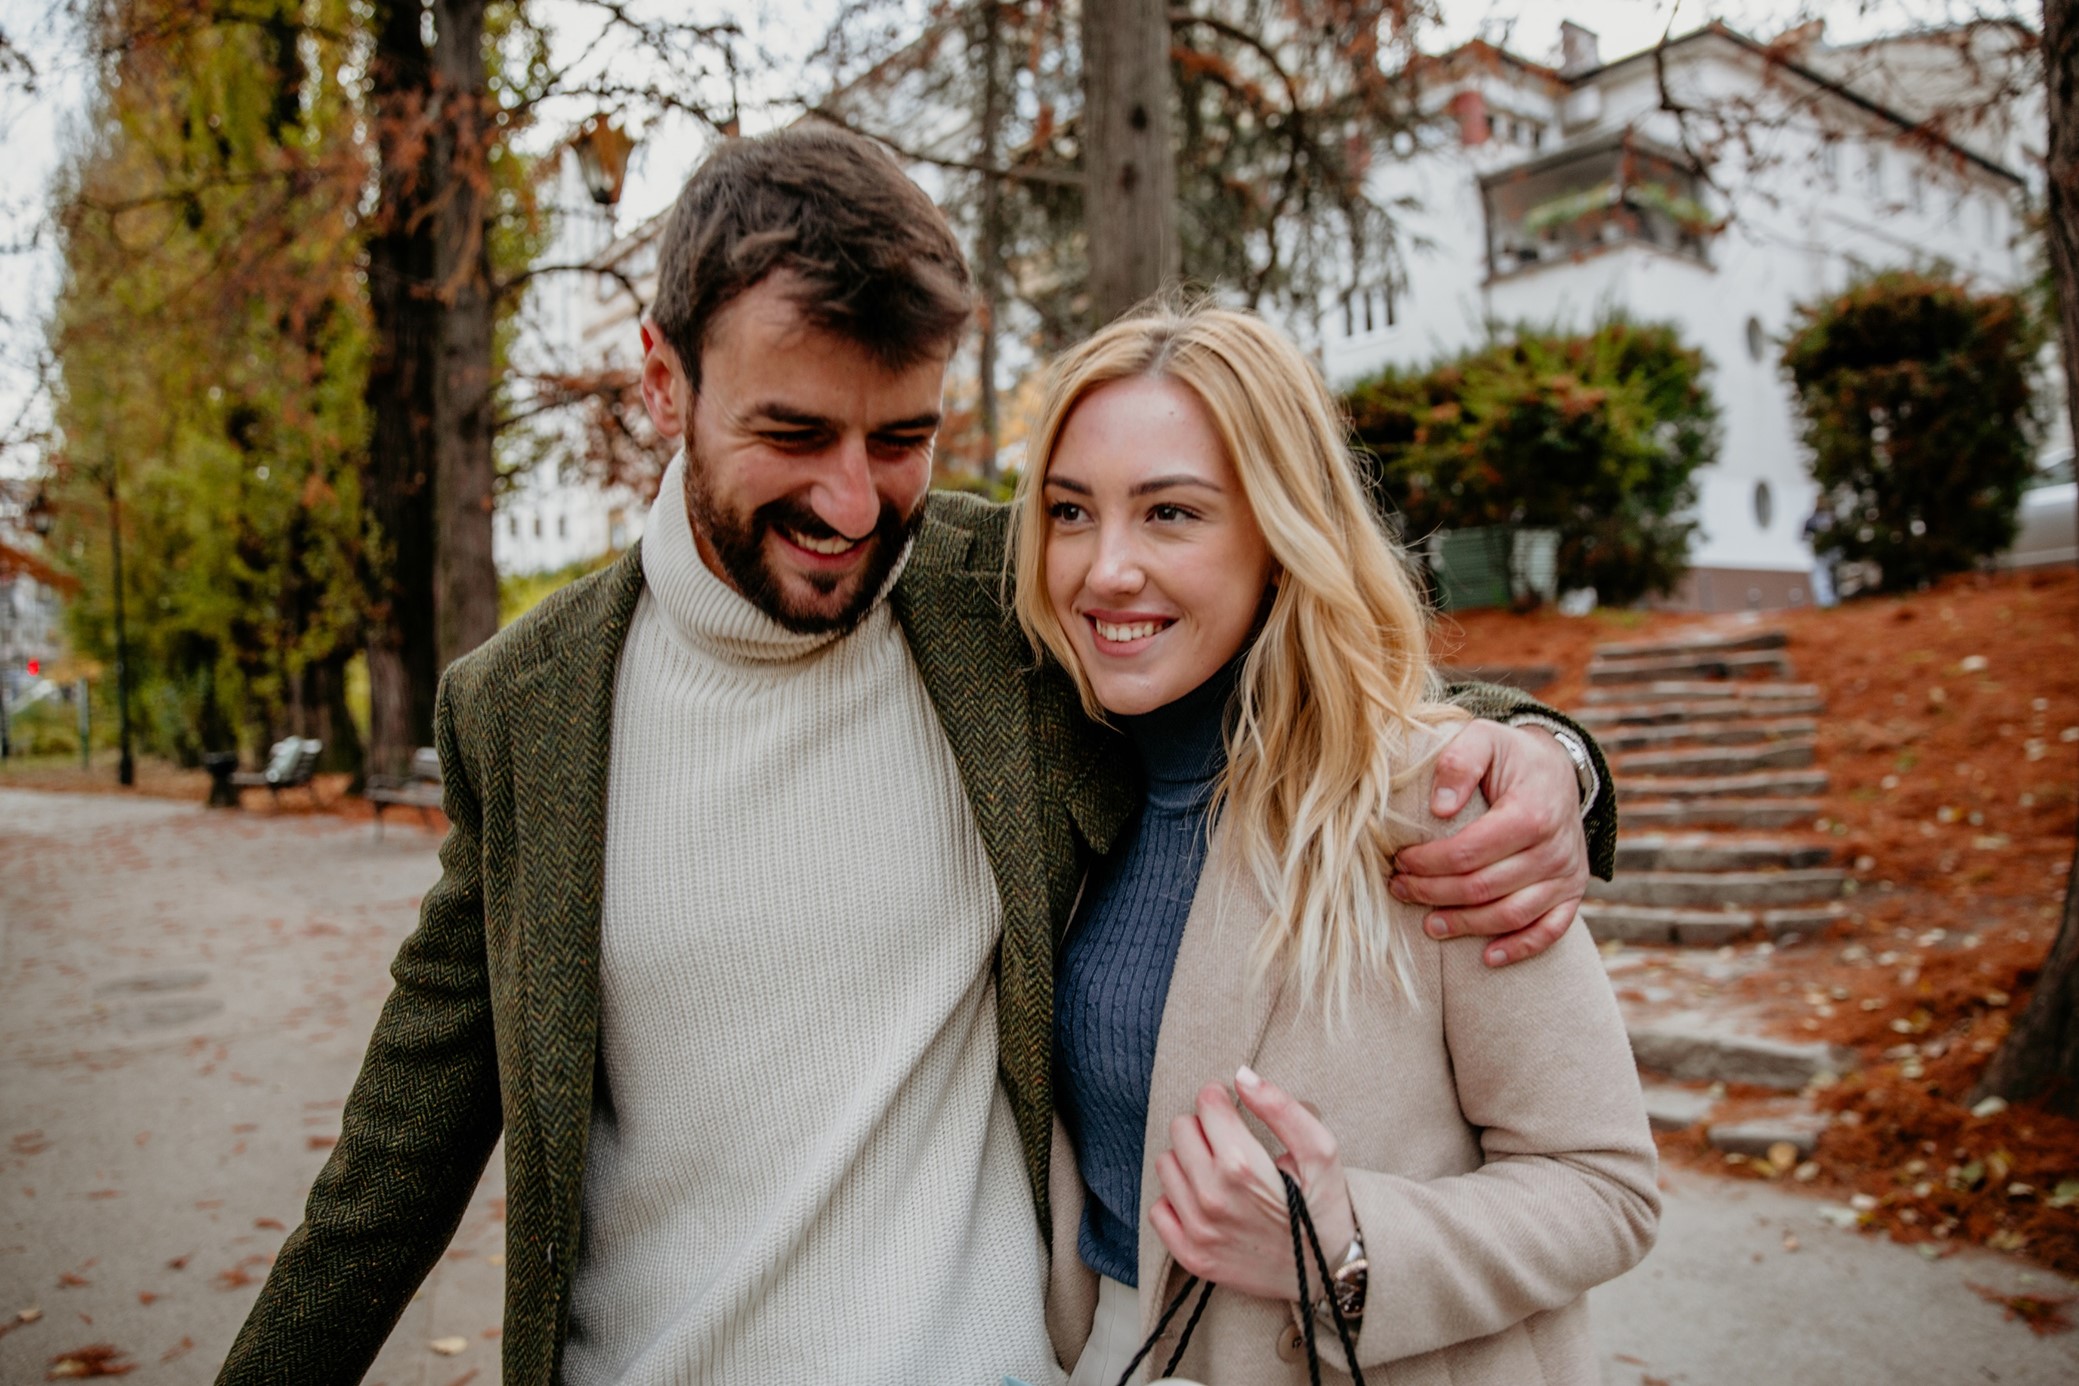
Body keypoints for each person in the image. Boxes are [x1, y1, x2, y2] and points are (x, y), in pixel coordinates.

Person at [215, 127, 1618, 1386]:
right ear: (662, 381)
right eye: (790, 431)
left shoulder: (991, 601)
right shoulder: (523, 710)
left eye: (899, 439)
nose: (848, 502)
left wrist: (1547, 753)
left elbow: (1291, 666)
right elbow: (395, 1158)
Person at [1013, 305, 1657, 1384]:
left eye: (1171, 512)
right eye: (1071, 511)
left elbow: (1605, 1184)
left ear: (1280, 532)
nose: (1104, 568)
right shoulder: (1068, 782)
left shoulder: (1434, 798)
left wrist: (1346, 1247)